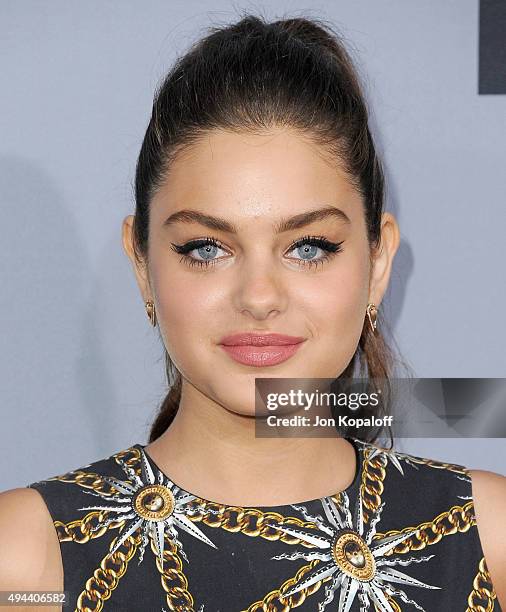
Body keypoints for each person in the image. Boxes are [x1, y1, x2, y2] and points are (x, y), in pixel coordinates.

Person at [1, 12, 504, 612]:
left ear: (377, 262)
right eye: (207, 248)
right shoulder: (28, 562)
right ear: (142, 264)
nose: (259, 296)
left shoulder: (484, 539)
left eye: (309, 247)